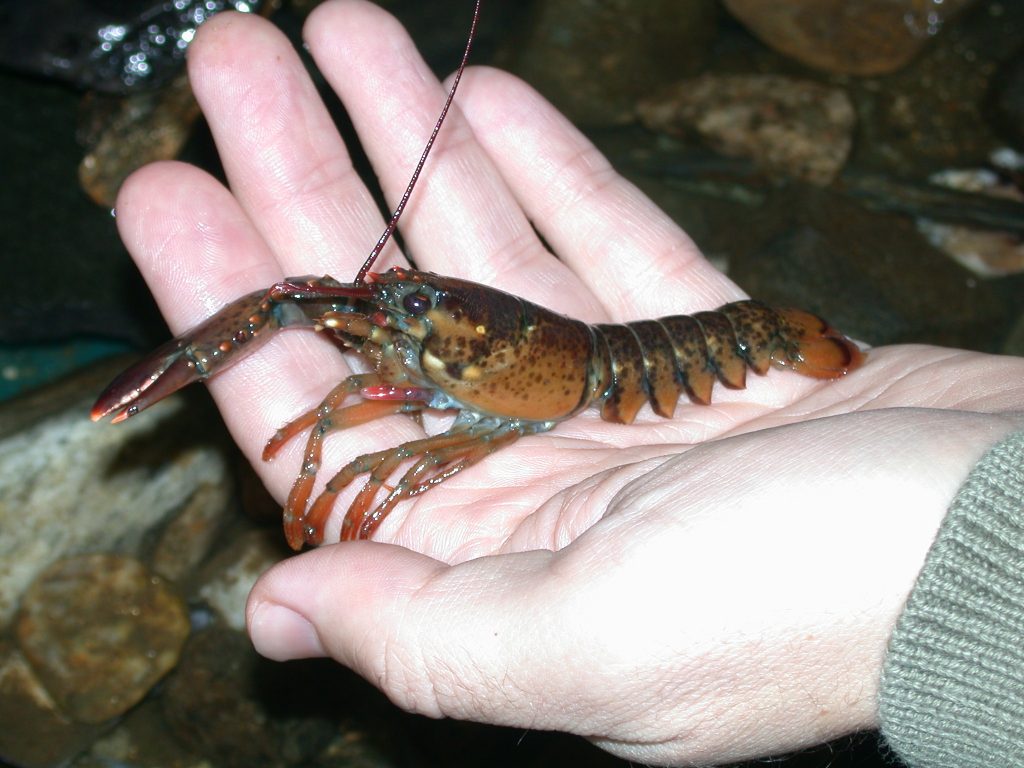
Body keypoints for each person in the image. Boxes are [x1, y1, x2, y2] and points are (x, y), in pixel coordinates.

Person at [114, 1, 1024, 765]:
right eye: (409, 305)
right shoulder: (424, 335)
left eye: (416, 307)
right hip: (575, 360)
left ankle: (780, 337)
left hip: (647, 357)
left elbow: (383, 431)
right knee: (306, 319)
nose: (395, 314)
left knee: (362, 447)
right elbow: (316, 327)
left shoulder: (498, 379)